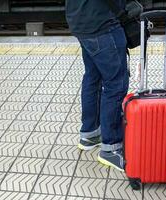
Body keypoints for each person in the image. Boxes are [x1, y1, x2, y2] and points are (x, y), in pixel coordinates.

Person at [65, 0, 129, 172]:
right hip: (102, 24)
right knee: (116, 84)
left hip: (80, 20)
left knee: (93, 78)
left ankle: (90, 134)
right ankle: (111, 147)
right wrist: (124, 10)